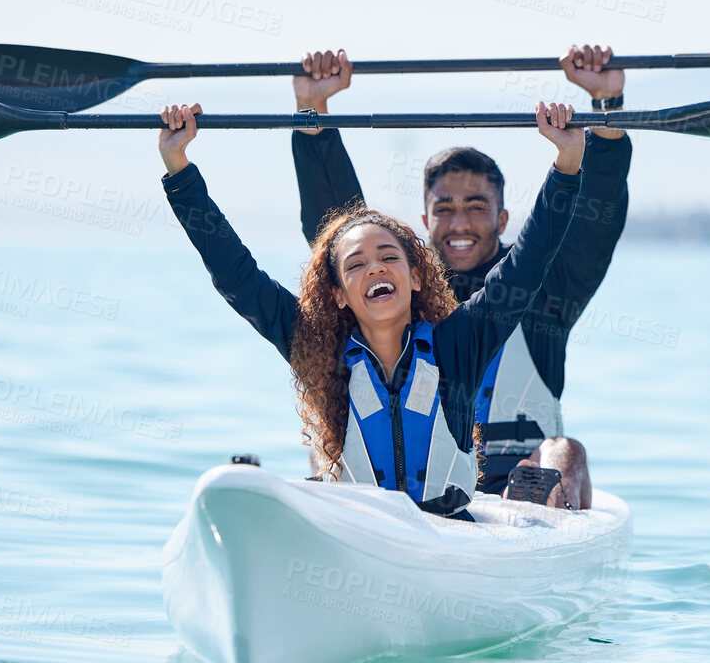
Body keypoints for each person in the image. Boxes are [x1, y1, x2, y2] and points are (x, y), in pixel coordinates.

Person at [158, 99, 599, 520]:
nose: (374, 269)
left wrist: (566, 164)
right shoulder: (315, 344)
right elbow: (236, 274)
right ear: (338, 293)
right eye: (356, 264)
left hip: (453, 532)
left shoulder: (458, 343)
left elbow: (529, 260)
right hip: (361, 530)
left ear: (417, 275)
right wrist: (179, 169)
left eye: (389, 257)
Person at [290, 45, 631, 510]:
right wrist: (313, 115)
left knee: (565, 451)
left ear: (504, 217)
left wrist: (606, 108)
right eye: (445, 209)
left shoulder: (547, 288)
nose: (460, 223)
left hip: (518, 507)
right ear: (425, 223)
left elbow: (595, 223)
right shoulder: (388, 292)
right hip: (404, 500)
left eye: (476, 207)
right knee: (320, 446)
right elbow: (341, 234)